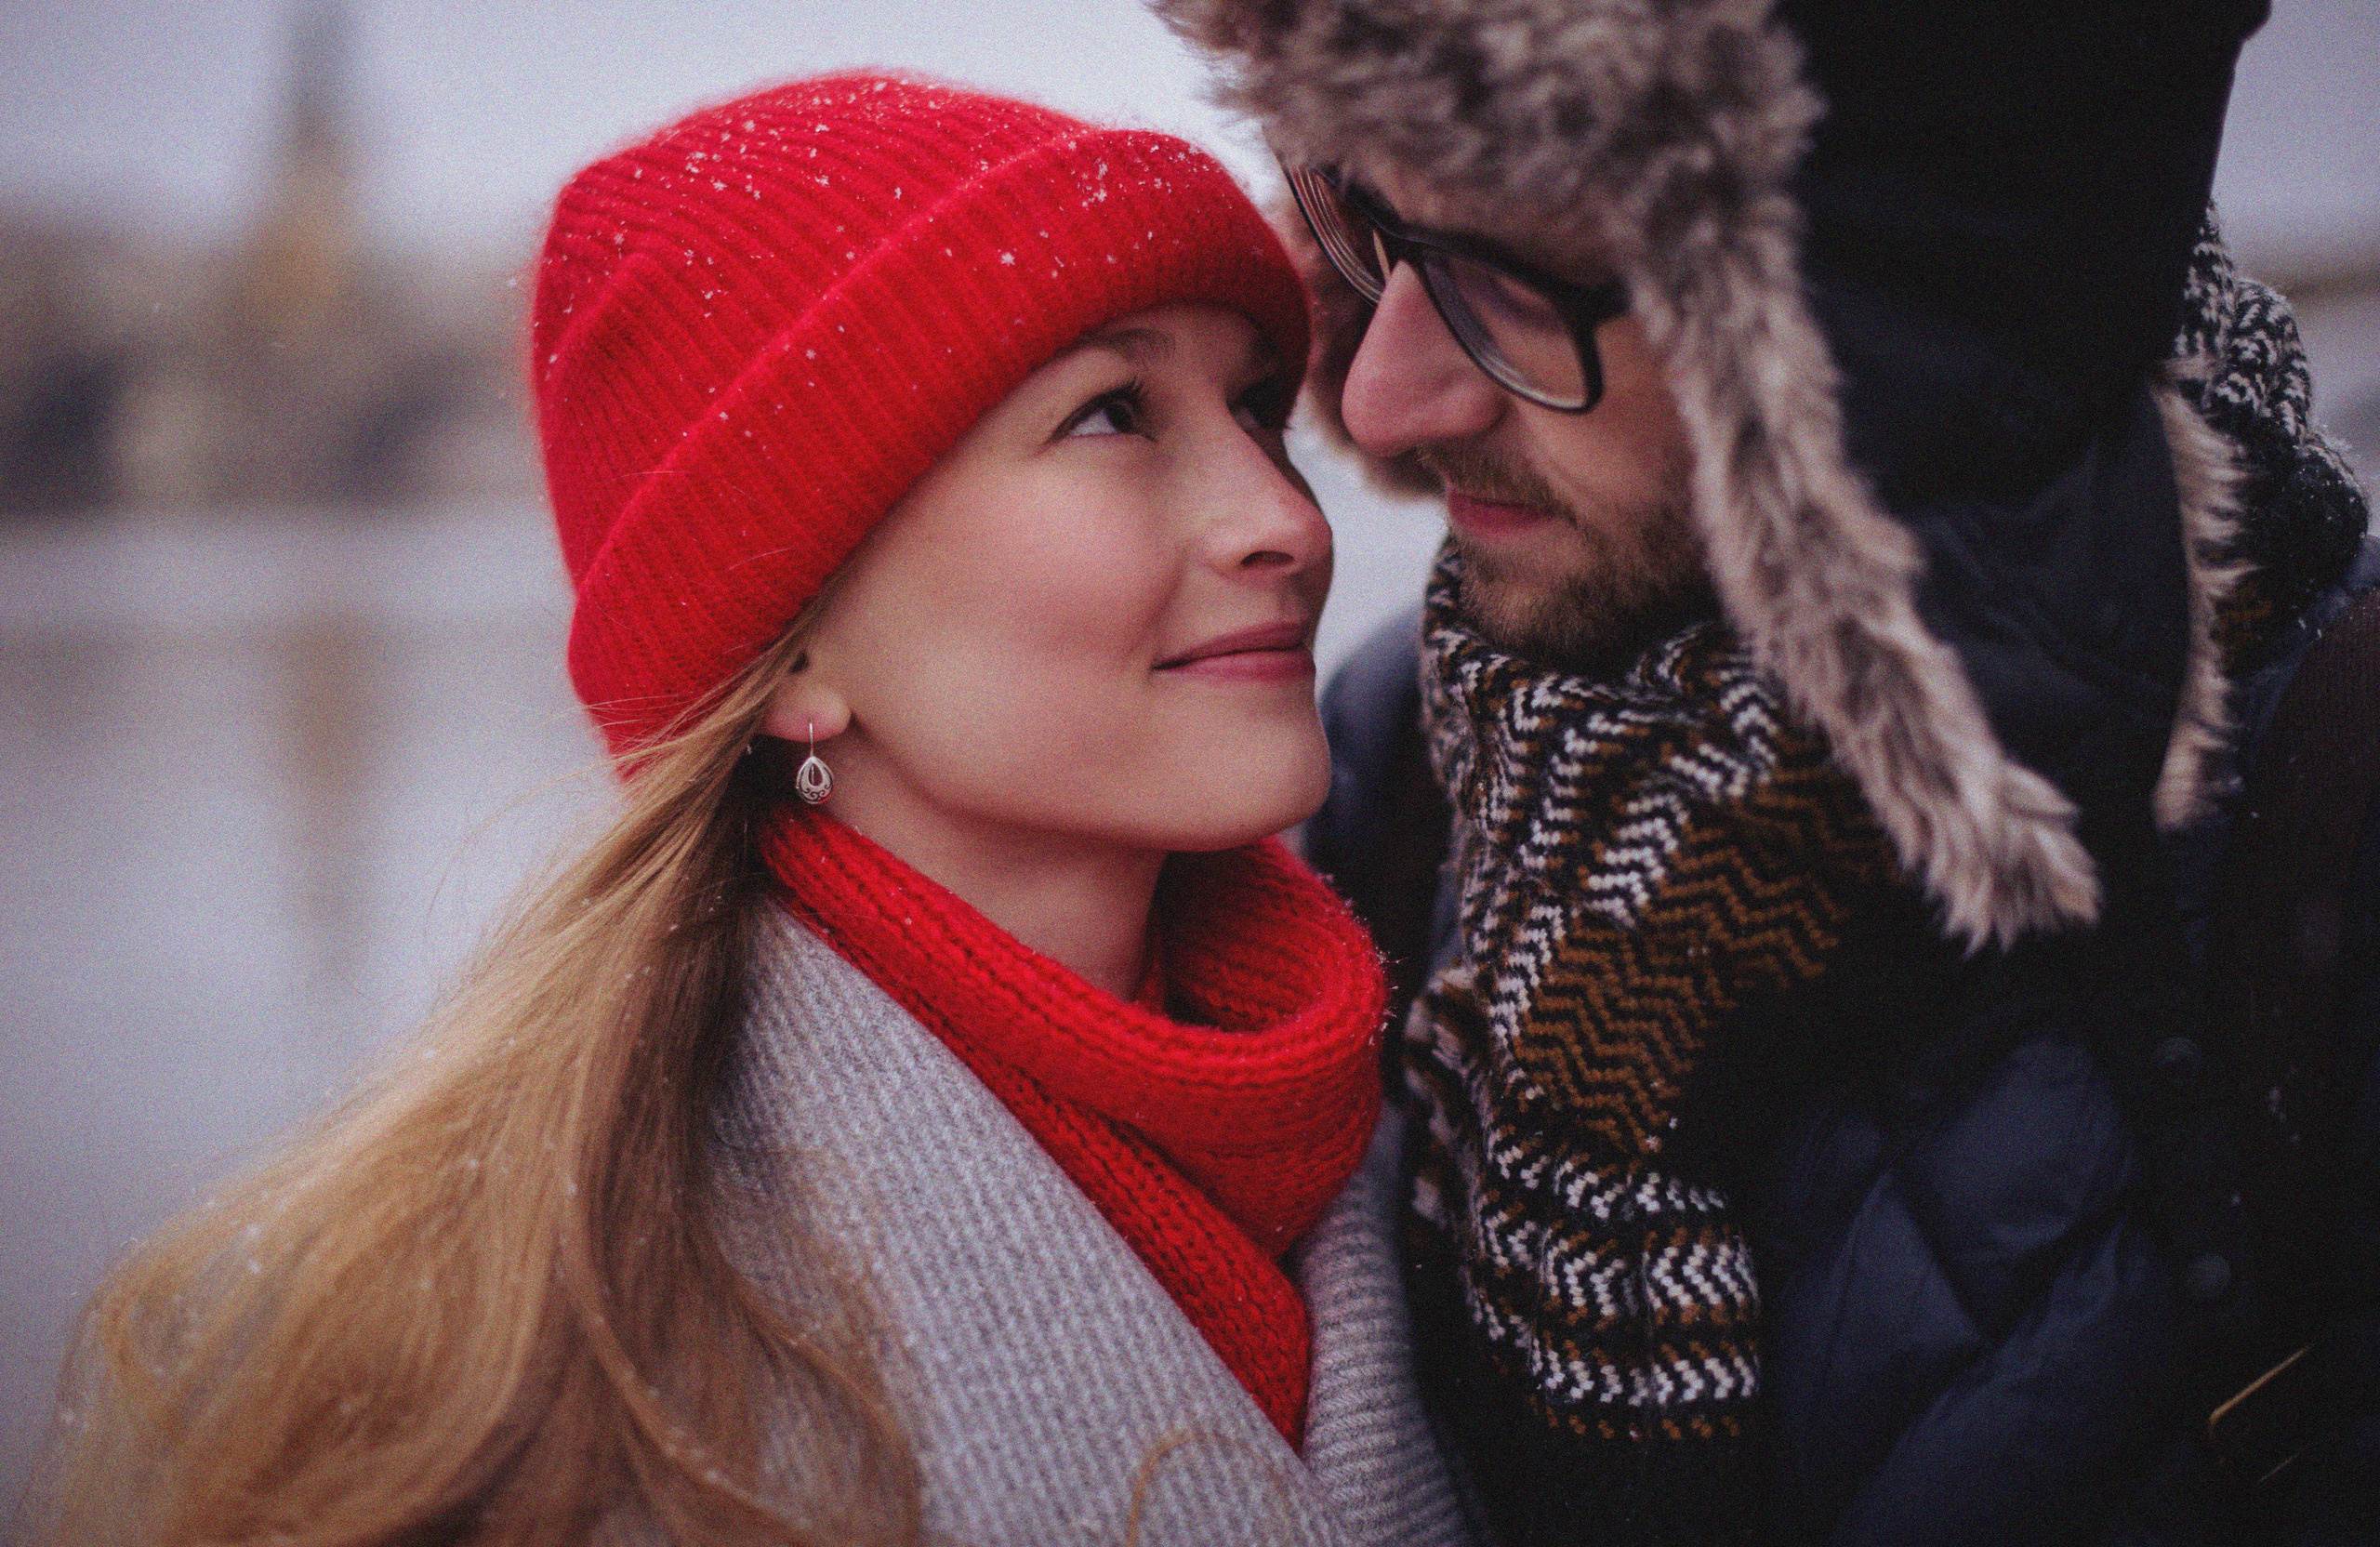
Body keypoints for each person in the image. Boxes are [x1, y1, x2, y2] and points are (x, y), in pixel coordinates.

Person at [37, 73, 1476, 1547]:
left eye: (1254, 410)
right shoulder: (551, 1417)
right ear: (789, 643)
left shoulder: (1443, 1079)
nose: (1288, 522)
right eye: (1111, 415)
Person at [1157, 1, 2380, 1542]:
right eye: (1374, 228)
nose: (1390, 398)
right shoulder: (1400, 748)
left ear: (1870, 301)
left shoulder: (2331, 829)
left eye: (1507, 282)